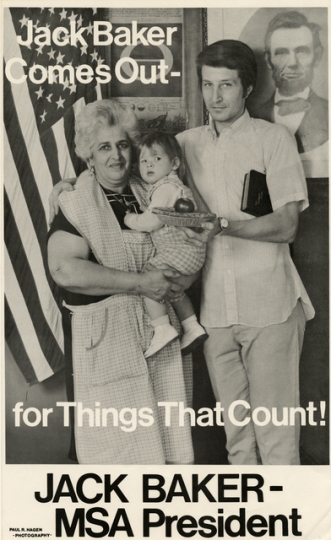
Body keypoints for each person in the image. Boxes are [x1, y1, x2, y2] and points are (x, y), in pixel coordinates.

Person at [176, 39, 315, 465]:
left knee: (276, 441)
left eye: (227, 86)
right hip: (216, 313)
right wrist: (66, 187)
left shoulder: (273, 139)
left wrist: (223, 226)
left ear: (247, 88)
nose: (215, 97)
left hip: (270, 307)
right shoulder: (183, 144)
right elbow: (122, 169)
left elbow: (287, 225)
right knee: (238, 443)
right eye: (207, 85)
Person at [47, 99, 202, 465]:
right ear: (89, 155)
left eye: (122, 144)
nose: (116, 155)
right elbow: (64, 270)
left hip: (158, 342)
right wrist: (140, 284)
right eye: (104, 147)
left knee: (167, 454)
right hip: (105, 346)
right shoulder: (76, 201)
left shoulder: (150, 189)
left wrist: (179, 279)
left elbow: (190, 243)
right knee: (116, 458)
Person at [124, 131, 208, 358]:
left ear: (175, 163)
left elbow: (151, 222)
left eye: (156, 158)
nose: (149, 164)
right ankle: (192, 327)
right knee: (174, 289)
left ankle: (161, 328)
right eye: (143, 160)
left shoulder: (166, 189)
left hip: (179, 251)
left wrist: (130, 219)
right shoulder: (172, 186)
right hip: (191, 254)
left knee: (150, 276)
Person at [252, 11, 328, 154]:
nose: (292, 63)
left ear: (316, 57)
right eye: (281, 52)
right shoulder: (252, 118)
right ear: (268, 60)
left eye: (302, 51)